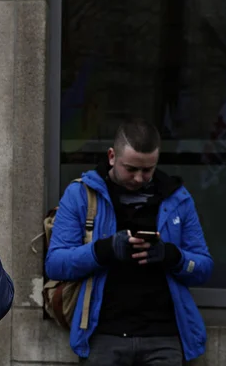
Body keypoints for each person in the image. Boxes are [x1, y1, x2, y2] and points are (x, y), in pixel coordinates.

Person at [46, 117, 213, 365]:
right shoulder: (82, 194)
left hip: (164, 336)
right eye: (131, 169)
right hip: (103, 333)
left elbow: (203, 268)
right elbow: (56, 264)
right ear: (112, 156)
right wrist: (103, 250)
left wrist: (172, 256)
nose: (139, 178)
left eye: (148, 170)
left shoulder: (177, 198)